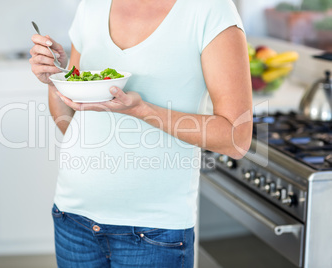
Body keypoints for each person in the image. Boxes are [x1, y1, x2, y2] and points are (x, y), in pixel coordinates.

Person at [29, 0, 252, 267]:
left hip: (155, 230)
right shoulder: (92, 6)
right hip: (73, 217)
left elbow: (236, 138)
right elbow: (71, 122)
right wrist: (56, 80)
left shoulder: (208, 9)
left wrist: (142, 110)